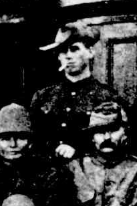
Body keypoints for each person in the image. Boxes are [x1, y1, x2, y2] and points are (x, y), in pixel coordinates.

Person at [31, 23, 119, 160]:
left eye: (74, 49)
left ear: (90, 52)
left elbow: (115, 143)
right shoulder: (43, 97)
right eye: (63, 51)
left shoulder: (107, 96)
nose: (68, 56)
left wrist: (78, 148)